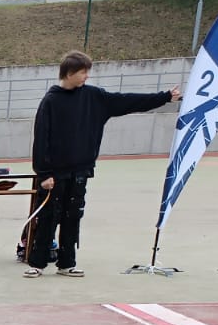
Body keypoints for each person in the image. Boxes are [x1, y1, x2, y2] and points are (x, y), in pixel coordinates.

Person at [24, 51, 180, 278]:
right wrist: (44, 173)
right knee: (49, 217)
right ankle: (37, 263)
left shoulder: (94, 97)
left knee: (73, 217)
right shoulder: (51, 101)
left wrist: (163, 97)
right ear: (69, 73)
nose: (86, 76)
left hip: (81, 171)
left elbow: (127, 101)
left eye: (87, 72)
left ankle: (67, 264)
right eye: (82, 72)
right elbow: (41, 138)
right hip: (54, 175)